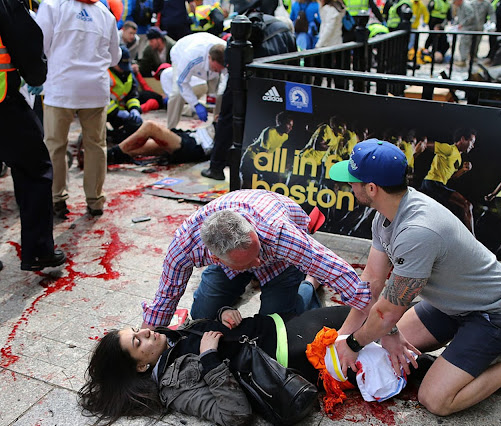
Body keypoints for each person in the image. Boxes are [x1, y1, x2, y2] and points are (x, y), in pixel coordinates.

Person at [328, 139, 501, 415]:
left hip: (497, 314)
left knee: (435, 400)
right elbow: (372, 282)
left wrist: (354, 343)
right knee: (383, 351)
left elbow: (386, 312)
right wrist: (343, 338)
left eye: (353, 180)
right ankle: (481, 363)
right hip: (453, 305)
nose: (349, 185)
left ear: (372, 188)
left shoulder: (417, 231)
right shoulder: (386, 214)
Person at [80, 305, 351, 424]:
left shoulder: (169, 339)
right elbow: (234, 414)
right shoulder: (174, 387)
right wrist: (210, 358)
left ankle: (310, 285)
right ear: (141, 367)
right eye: (137, 342)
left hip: (280, 325)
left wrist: (224, 314)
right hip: (292, 356)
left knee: (363, 315)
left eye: (135, 330)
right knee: (366, 324)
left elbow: (210, 330)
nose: (145, 331)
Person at [141, 189, 371, 329]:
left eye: (257, 252)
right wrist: (143, 341)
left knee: (274, 326)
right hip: (237, 259)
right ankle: (243, 277)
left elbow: (335, 269)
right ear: (216, 258)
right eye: (249, 262)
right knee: (201, 315)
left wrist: (375, 320)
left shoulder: (278, 234)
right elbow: (165, 298)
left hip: (280, 259)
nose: (258, 262)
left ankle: (309, 283)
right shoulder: (185, 244)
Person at [36, 0, 121, 218]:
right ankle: (95, 201)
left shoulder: (52, 6)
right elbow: (115, 57)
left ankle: (57, 199)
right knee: (96, 146)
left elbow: (40, 44)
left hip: (61, 87)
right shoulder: (105, 14)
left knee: (55, 145)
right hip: (95, 89)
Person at [0, 0, 66, 271]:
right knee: (35, 169)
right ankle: (38, 250)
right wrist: (36, 75)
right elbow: (25, 40)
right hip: (4, 102)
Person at [201, 5, 297, 180]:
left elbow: (230, 65)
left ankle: (217, 167)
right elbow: (294, 65)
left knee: (229, 119)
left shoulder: (236, 35)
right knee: (263, 123)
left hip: (245, 79)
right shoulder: (283, 30)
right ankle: (263, 175)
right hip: (275, 82)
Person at [417, 128, 476, 235]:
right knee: (467, 205)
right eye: (471, 141)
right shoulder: (449, 149)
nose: (472, 145)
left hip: (436, 185)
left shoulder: (459, 158)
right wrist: (421, 146)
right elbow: (427, 145)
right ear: (463, 139)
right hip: (433, 183)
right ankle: (472, 239)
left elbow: (451, 177)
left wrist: (463, 170)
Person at [166, 33, 226, 130]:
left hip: (206, 57)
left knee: (220, 94)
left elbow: (227, 80)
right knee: (177, 94)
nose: (217, 71)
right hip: (181, 54)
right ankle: (170, 128)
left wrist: (218, 95)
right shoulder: (191, 57)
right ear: (209, 58)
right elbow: (182, 83)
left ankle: (217, 126)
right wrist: (195, 104)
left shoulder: (229, 54)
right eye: (215, 69)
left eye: (220, 70)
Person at [107, 120, 214, 164]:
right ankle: (107, 158)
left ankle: (111, 154)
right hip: (195, 135)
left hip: (197, 145)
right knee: (134, 149)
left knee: (150, 127)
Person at [240, 111, 294, 188]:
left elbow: (273, 151)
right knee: (248, 185)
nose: (290, 128)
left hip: (262, 162)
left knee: (275, 180)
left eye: (291, 126)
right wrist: (274, 169)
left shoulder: (285, 137)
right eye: (288, 124)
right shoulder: (270, 131)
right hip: (251, 158)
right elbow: (263, 154)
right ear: (280, 122)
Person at [107, 46, 143, 144]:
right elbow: (99, 97)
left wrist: (134, 109)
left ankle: (115, 136)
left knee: (136, 124)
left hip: (121, 111)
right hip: (104, 111)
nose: (123, 69)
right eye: (121, 65)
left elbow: (133, 95)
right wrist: (117, 112)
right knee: (96, 130)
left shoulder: (129, 74)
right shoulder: (105, 73)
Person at [452, 0, 477, 67]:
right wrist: (456, 24)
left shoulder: (466, 6)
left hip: (468, 28)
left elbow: (471, 16)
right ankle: (463, 59)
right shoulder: (460, 6)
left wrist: (462, 24)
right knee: (462, 44)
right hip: (464, 28)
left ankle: (463, 60)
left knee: (464, 44)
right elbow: (460, 17)